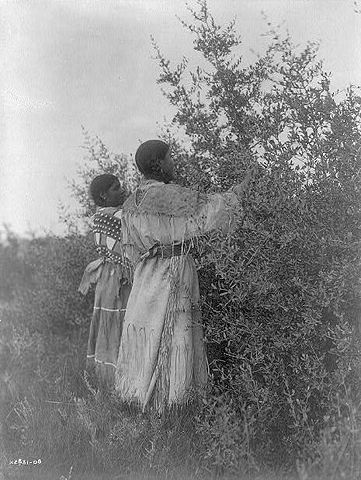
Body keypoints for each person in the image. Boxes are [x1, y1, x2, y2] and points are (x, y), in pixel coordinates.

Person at [115, 140, 256, 411]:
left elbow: (129, 250)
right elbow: (213, 209)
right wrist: (242, 188)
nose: (173, 163)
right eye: (170, 158)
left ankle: (137, 398)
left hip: (145, 275)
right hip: (174, 270)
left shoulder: (131, 202)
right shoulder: (172, 196)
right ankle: (176, 403)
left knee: (148, 330)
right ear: (158, 164)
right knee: (177, 331)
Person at [79, 174, 132, 389]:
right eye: (116, 188)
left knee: (110, 324)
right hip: (119, 276)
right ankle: (120, 381)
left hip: (107, 276)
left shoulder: (98, 216)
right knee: (121, 322)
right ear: (103, 194)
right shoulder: (116, 216)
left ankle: (109, 380)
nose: (121, 191)